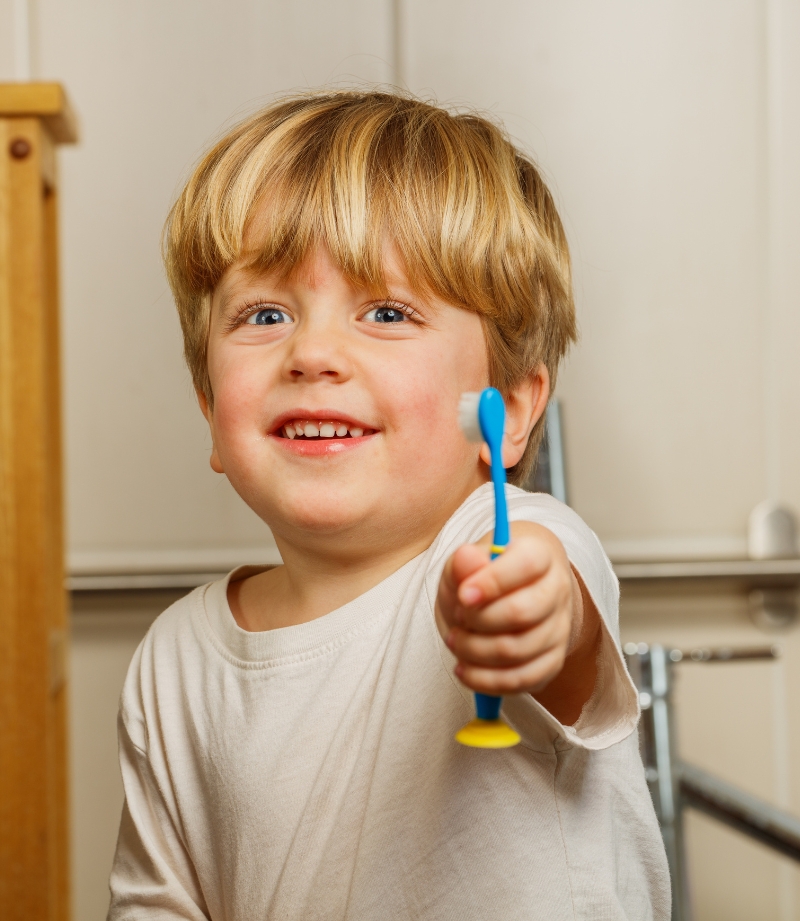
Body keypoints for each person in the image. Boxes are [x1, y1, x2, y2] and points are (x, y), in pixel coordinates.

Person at [108, 90, 670, 920]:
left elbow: (562, 616)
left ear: (508, 409)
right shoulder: (175, 661)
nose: (313, 352)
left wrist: (537, 616)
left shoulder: (508, 542)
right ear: (211, 413)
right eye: (265, 313)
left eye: (386, 312)